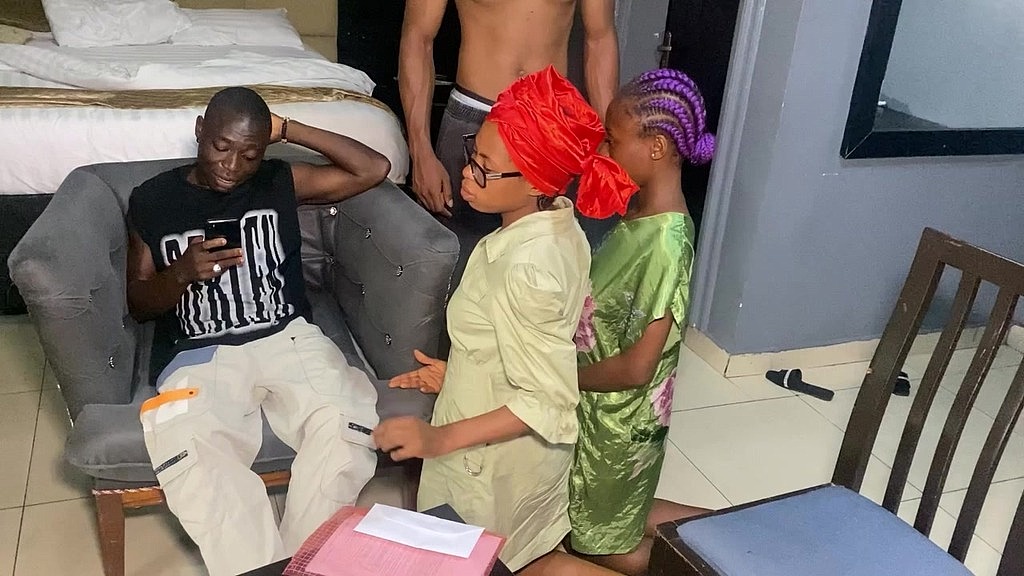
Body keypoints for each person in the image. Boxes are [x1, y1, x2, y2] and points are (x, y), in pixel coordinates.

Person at [374, 67, 635, 575]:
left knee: (490, 561)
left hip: (491, 463)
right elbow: (524, 344)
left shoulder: (527, 268)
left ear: (536, 181)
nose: (467, 173)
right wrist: (463, 373)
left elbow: (547, 399)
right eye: (473, 155)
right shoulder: (558, 224)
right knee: (521, 557)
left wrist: (437, 439)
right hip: (508, 445)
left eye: (486, 169)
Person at [126, 87, 391, 576]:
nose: (232, 166)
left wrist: (287, 129)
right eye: (221, 146)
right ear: (200, 130)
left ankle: (302, 567)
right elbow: (139, 304)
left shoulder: (277, 180)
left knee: (344, 424)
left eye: (250, 154)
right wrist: (180, 273)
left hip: (287, 337)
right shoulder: (154, 198)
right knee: (196, 457)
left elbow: (373, 168)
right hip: (199, 352)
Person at [566, 68, 717, 576]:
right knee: (617, 507)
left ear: (655, 147)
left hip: (618, 415)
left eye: (612, 140)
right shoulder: (636, 212)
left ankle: (716, 564)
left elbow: (637, 368)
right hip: (596, 401)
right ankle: (737, 532)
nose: (603, 151)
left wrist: (561, 378)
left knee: (591, 543)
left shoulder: (667, 245)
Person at [399, 0, 619, 281]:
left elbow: (600, 37)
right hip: (474, 119)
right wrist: (420, 152)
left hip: (548, 129)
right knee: (457, 269)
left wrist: (608, 141)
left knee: (545, 267)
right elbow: (418, 37)